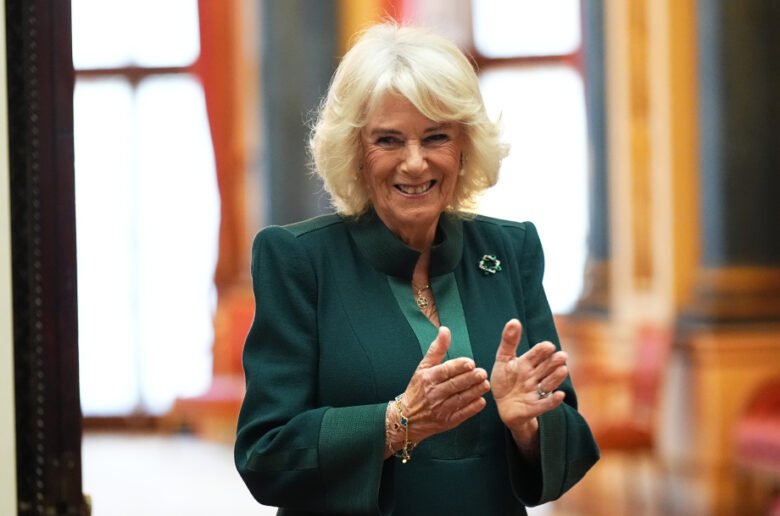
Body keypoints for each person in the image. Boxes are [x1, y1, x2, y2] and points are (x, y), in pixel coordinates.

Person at [235, 22, 599, 515]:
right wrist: (399, 420)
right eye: (388, 140)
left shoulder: (511, 249)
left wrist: (528, 426)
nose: (414, 163)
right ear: (356, 153)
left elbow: (572, 439)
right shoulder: (299, 260)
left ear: (464, 147)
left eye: (435, 137)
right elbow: (265, 454)